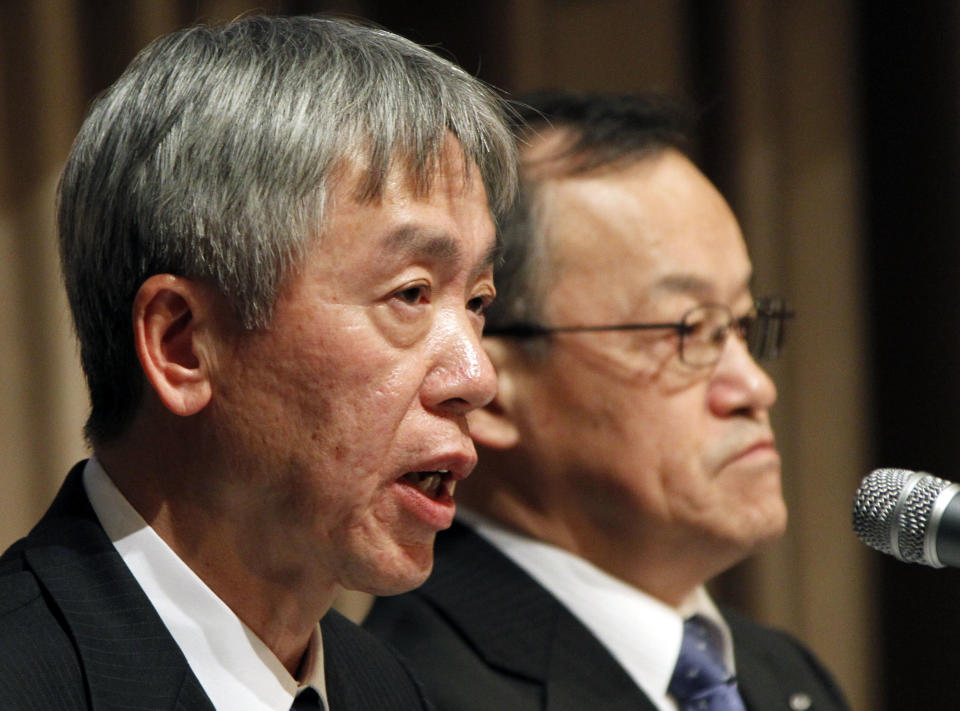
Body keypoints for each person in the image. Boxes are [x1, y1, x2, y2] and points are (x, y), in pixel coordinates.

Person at [0, 15, 516, 710]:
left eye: (478, 301)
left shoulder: (390, 689)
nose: (476, 376)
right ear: (183, 344)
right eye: (412, 293)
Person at [365, 91, 850, 711]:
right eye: (687, 332)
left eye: (743, 326)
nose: (755, 387)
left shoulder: (783, 672)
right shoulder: (414, 690)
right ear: (489, 388)